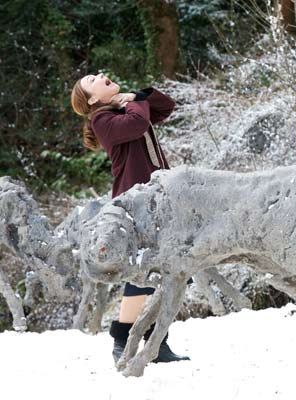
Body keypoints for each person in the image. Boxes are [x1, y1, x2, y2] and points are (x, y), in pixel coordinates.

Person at [71, 72, 189, 363]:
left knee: (164, 272)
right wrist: (135, 102)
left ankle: (156, 342)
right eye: (92, 79)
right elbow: (137, 124)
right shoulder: (103, 121)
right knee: (143, 272)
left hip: (159, 199)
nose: (101, 75)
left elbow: (165, 106)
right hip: (136, 203)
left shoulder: (126, 108)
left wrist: (138, 95)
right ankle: (122, 338)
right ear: (94, 99)